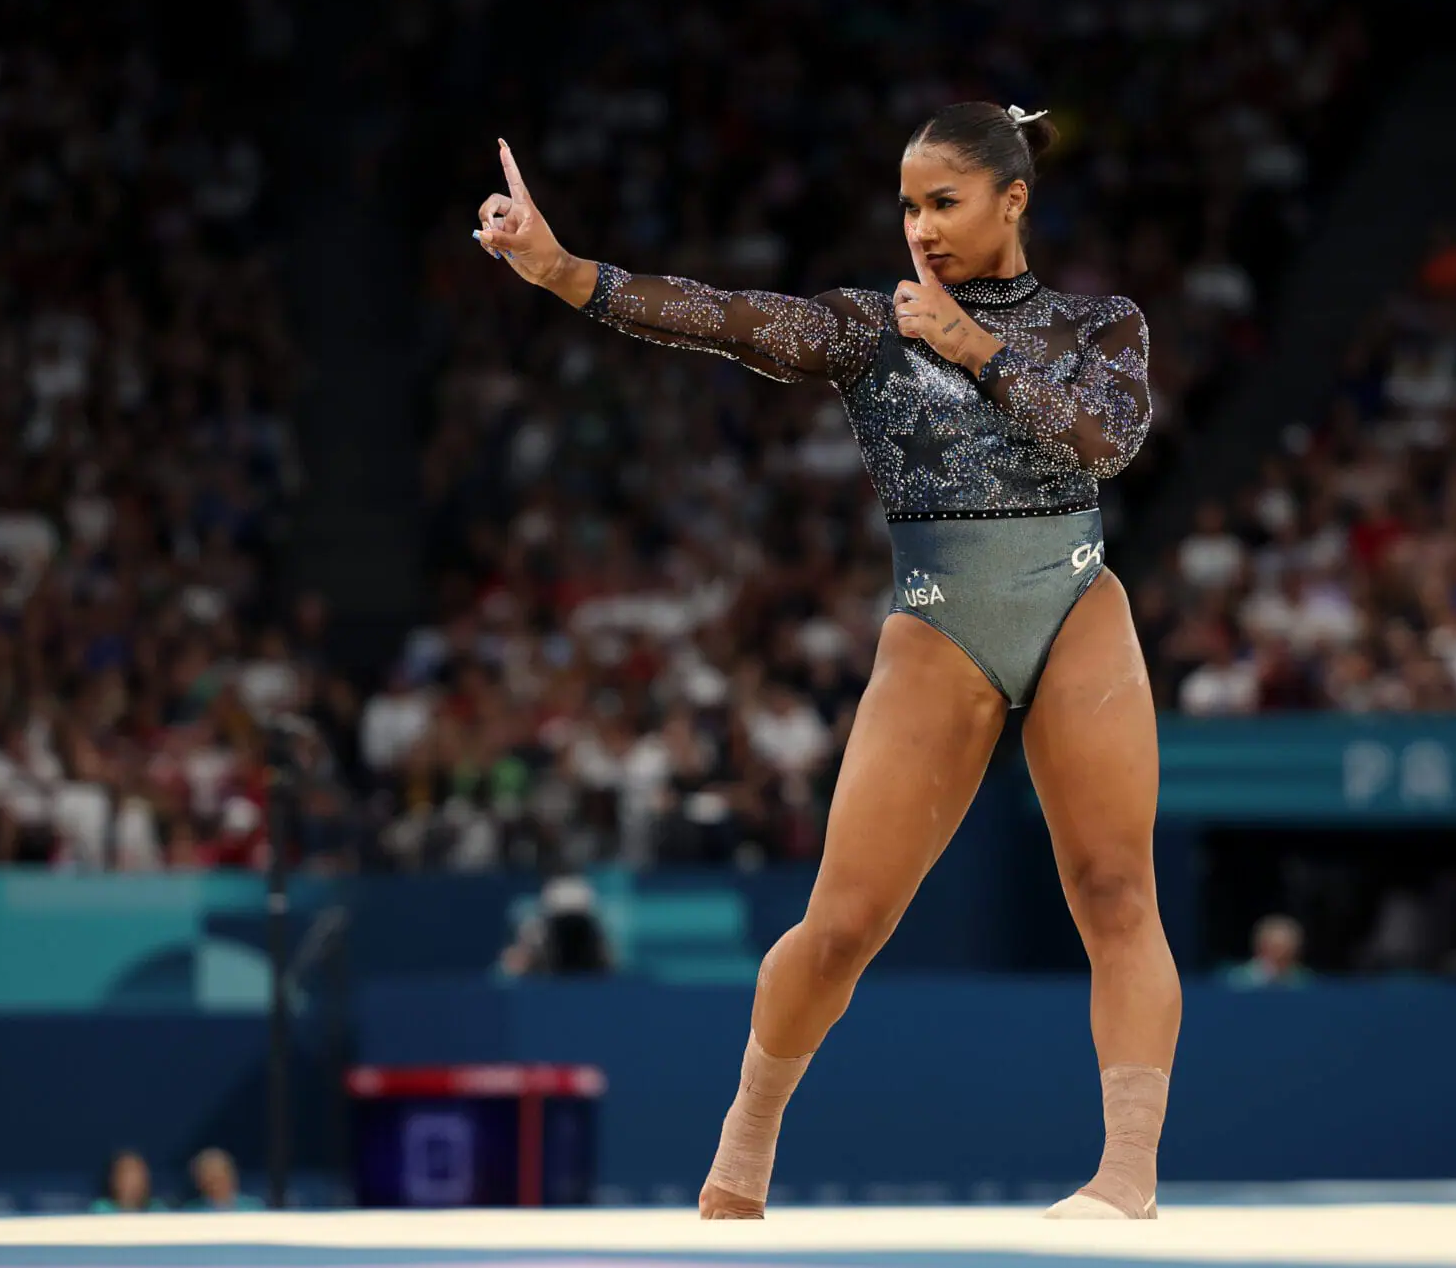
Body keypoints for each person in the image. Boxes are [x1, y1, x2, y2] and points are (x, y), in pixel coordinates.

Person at [475, 102, 1179, 1220]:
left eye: (945, 203)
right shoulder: (871, 329)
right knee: (843, 924)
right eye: (908, 206)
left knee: (1114, 890)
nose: (922, 230)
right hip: (943, 621)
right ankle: (746, 1142)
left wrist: (976, 348)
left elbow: (1111, 440)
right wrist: (564, 272)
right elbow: (728, 319)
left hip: (1077, 603)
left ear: (1014, 200)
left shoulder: (1100, 324)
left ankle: (1126, 1179)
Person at [1224, 914, 1311, 988]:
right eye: (1276, 946)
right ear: (1261, 946)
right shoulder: (1237, 981)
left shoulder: (1306, 982)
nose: (1281, 953)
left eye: (1288, 946)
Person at [89, 1150, 166, 1213]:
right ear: (113, 1180)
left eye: (137, 1174)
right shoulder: (100, 1210)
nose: (132, 1182)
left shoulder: (158, 1210)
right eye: (126, 1175)